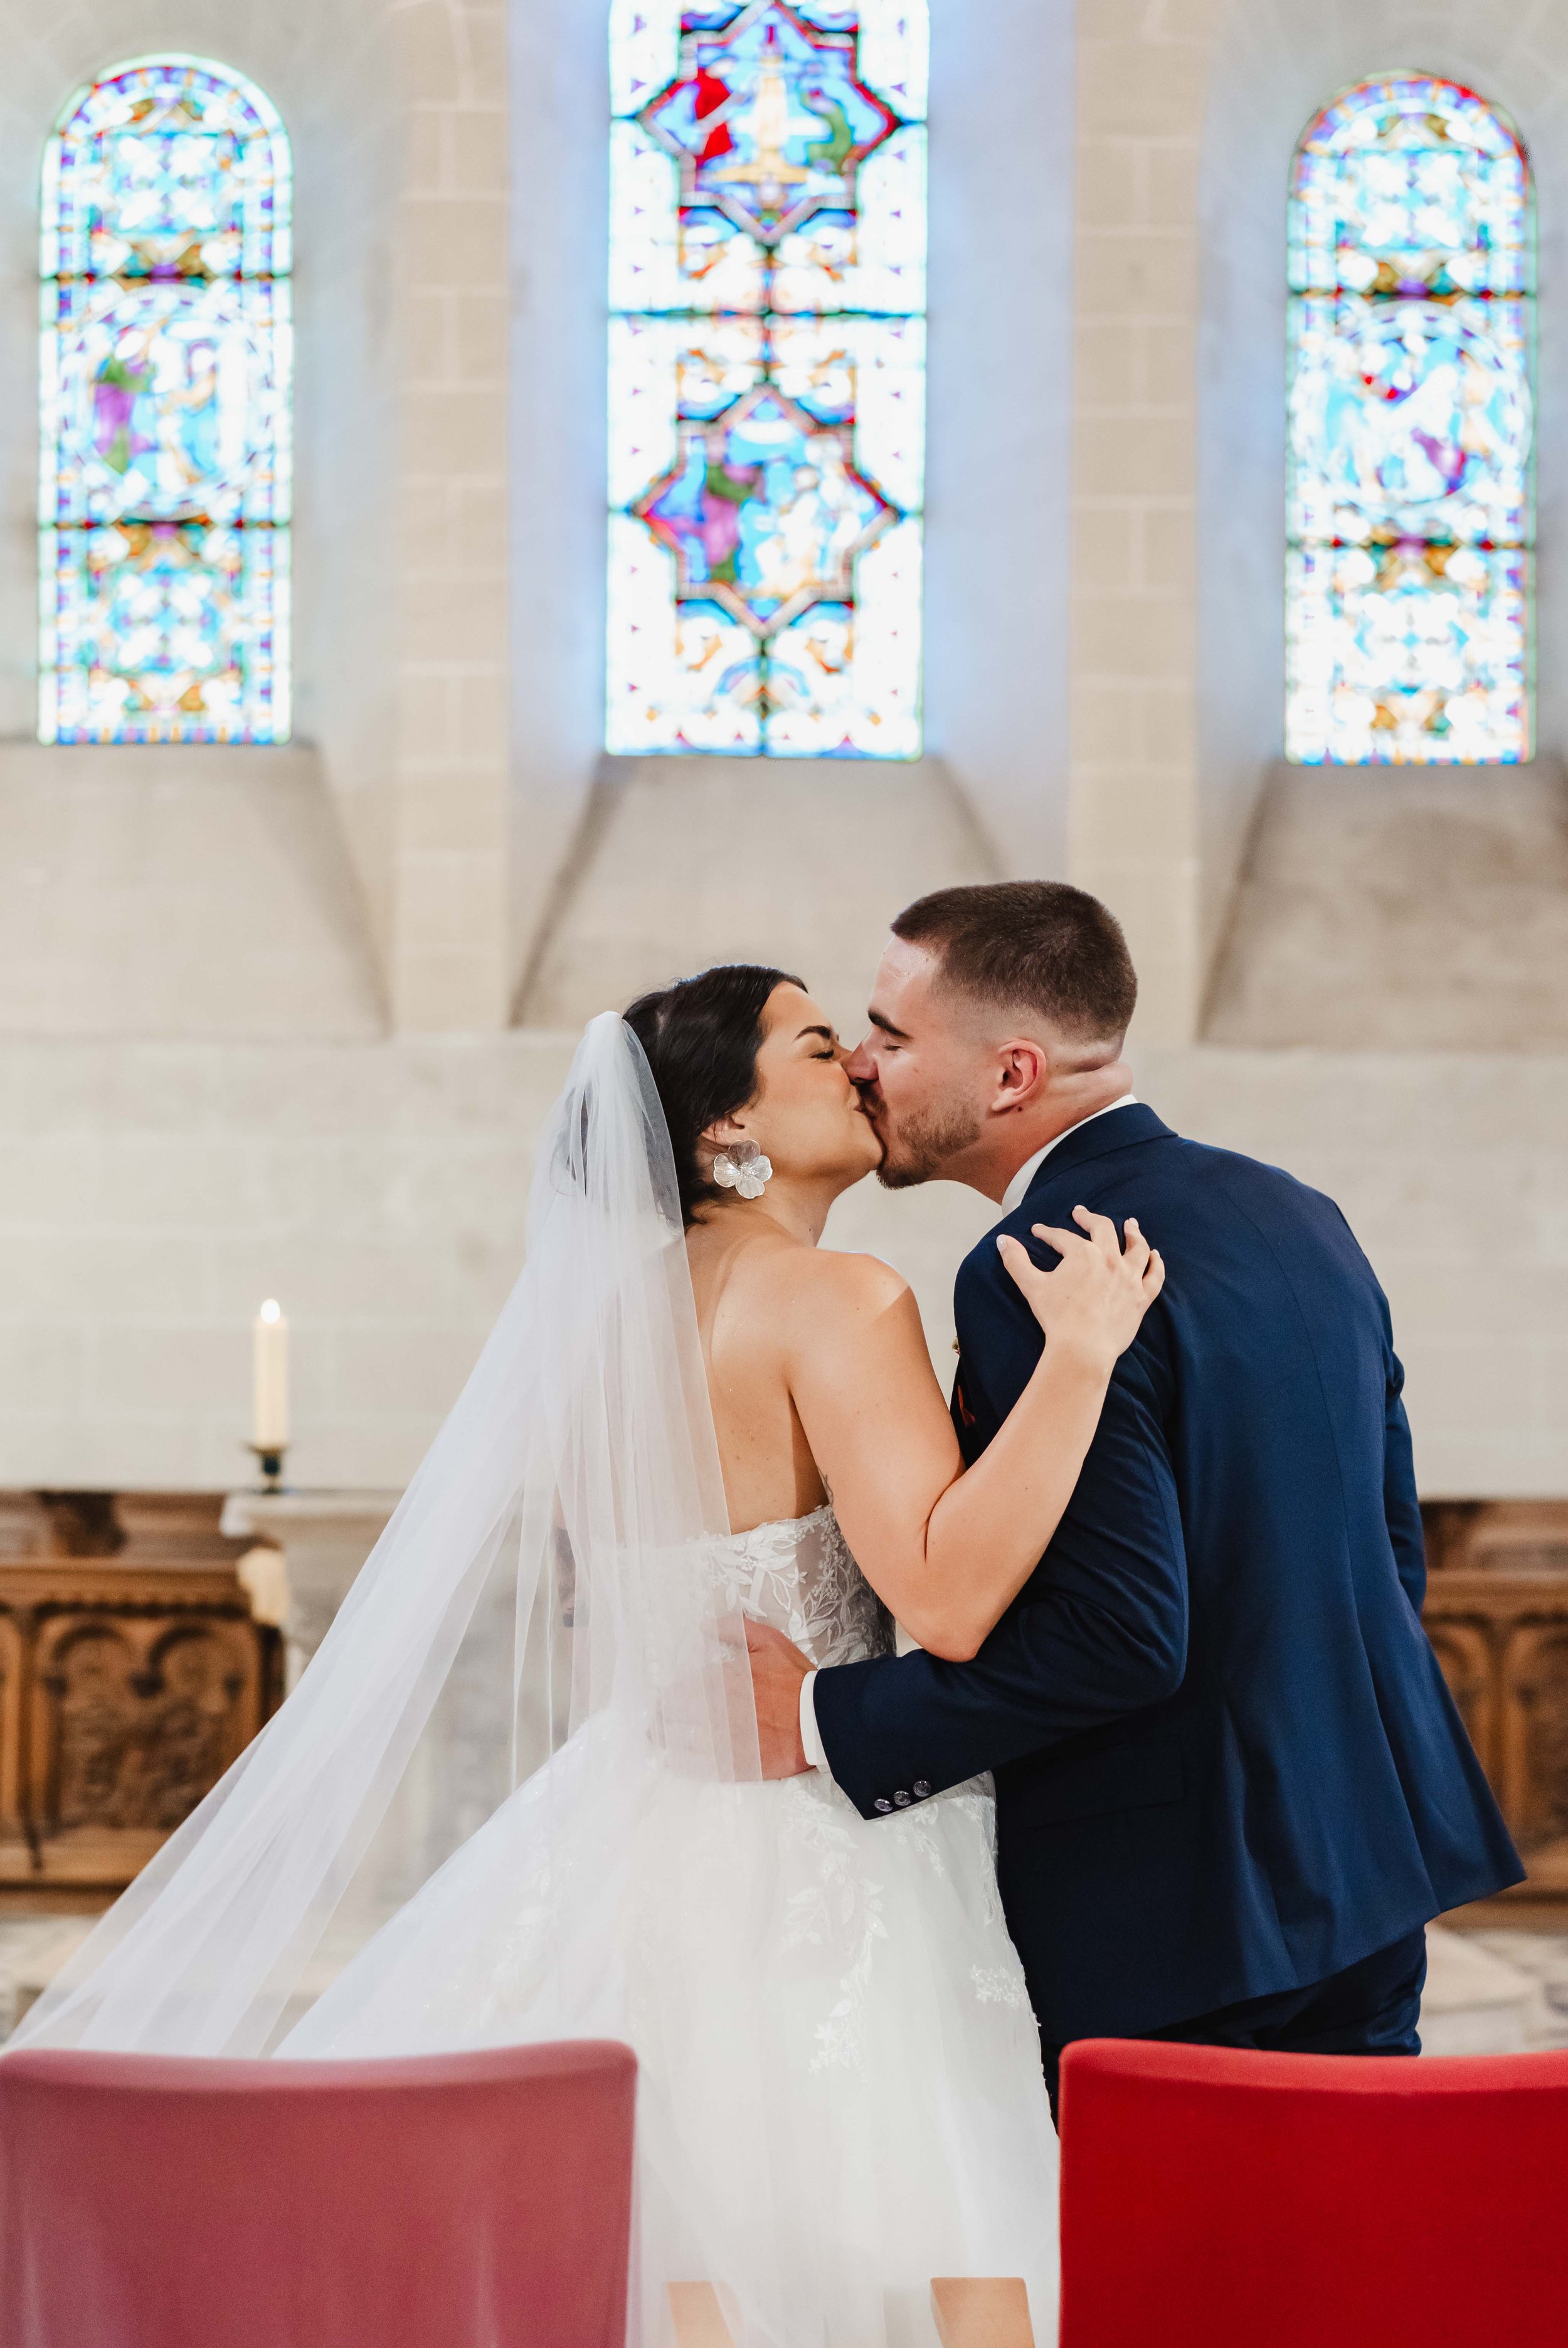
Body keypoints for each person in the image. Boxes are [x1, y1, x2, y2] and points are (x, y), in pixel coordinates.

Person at [8, 964, 1159, 2348]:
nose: (857, 1064)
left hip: (633, 1818)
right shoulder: (839, 1298)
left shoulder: (605, 1326)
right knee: (916, 2227)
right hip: (822, 1832)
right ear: (724, 1129)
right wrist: (1081, 1360)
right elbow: (951, 1599)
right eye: (812, 1046)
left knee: (676, 2247)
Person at [745, 880, 1523, 2120]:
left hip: (1177, 1910)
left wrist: (830, 1718)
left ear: (1009, 1073)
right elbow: (1386, 1553)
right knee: (1329, 2278)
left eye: (891, 1035)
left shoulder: (1039, 1267)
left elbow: (1110, 1641)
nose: (862, 1062)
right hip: (1364, 1862)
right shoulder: (1294, 1214)